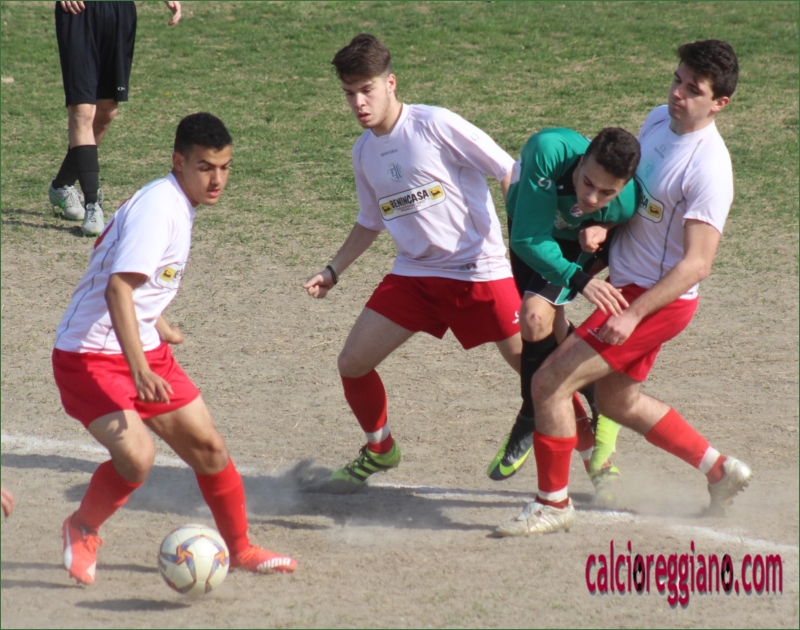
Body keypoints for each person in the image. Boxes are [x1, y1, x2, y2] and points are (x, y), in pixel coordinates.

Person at [495, 40, 752, 537]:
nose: (677, 93)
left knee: (548, 383)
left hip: (649, 300)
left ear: (720, 103)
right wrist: (606, 226)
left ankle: (553, 502)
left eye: (693, 89)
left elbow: (698, 264)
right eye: (677, 79)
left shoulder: (709, 169)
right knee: (617, 402)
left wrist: (633, 314)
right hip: (626, 283)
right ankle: (719, 470)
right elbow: (628, 196)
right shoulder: (657, 121)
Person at [52, 112, 297, 584]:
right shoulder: (160, 209)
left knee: (209, 448)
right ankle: (81, 527)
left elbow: (119, 264)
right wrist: (139, 369)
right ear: (178, 161)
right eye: (205, 167)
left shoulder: (174, 200)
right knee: (137, 456)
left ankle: (241, 550)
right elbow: (118, 289)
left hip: (141, 346)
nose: (217, 180)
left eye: (224, 168)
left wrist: (158, 322)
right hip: (90, 356)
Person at [303, 34, 523, 492]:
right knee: (352, 362)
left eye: (366, 90)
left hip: (477, 269)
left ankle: (595, 457)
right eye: (349, 93)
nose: (358, 103)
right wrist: (333, 270)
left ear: (391, 83)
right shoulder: (363, 151)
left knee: (539, 371)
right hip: (417, 273)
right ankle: (380, 449)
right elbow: (370, 220)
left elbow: (506, 169)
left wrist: (522, 245)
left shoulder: (434, 124)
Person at [487, 127, 641, 506]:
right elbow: (527, 238)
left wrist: (603, 226)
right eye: (587, 183)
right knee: (553, 336)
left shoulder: (625, 202)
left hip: (571, 246)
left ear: (622, 188)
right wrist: (581, 281)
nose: (592, 198)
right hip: (530, 231)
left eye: (606, 193)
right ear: (582, 158)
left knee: (534, 318)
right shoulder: (548, 151)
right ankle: (598, 407)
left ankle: (530, 415)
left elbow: (626, 228)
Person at [48, 1, 181, 237]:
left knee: (107, 111)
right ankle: (93, 204)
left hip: (118, 11)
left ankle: (62, 184)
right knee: (82, 112)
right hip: (78, 12)